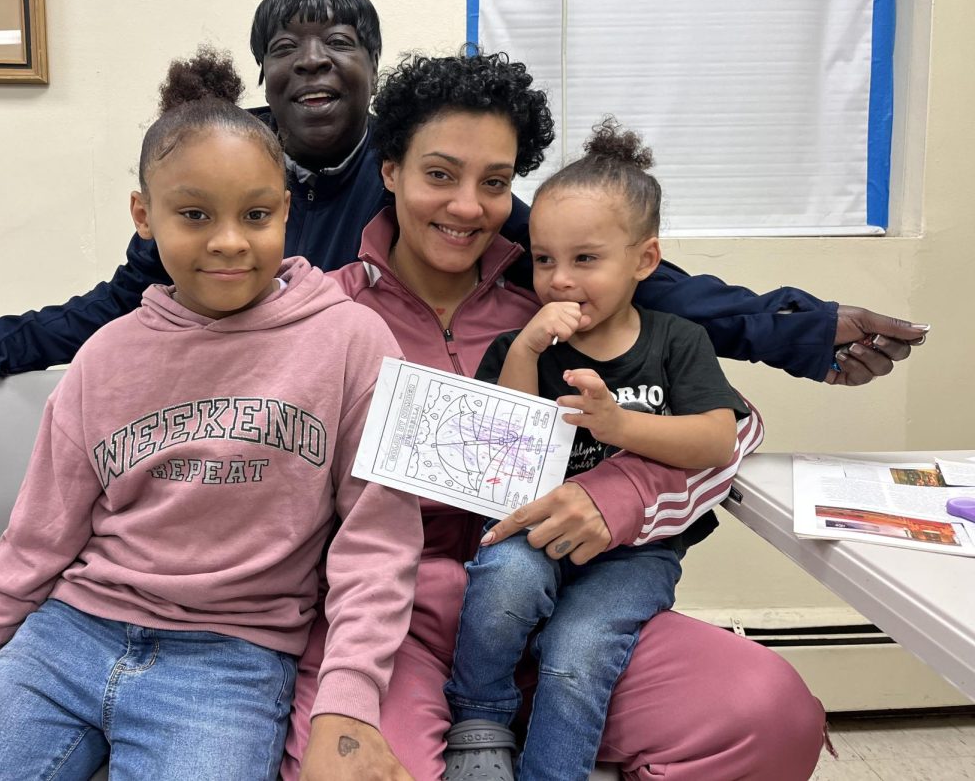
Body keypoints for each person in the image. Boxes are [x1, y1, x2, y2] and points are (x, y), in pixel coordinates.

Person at [0, 49, 423, 781]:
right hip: (66, 638)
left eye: (256, 214)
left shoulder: (352, 342)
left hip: (232, 663)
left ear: (286, 207)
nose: (229, 240)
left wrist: (348, 705)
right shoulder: (106, 358)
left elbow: (377, 542)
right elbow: (27, 554)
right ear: (144, 217)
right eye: (193, 214)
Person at [0, 0, 926, 395]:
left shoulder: (434, 187)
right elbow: (125, 301)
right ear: (263, 78)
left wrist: (801, 327)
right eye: (286, 47)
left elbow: (619, 279)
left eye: (339, 40)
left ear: (375, 82)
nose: (312, 60)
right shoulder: (217, 173)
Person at [279, 52, 825, 781]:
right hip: (391, 626)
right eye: (439, 174)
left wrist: (615, 494)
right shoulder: (324, 311)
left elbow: (734, 430)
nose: (468, 206)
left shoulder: (561, 296)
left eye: (496, 183)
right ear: (389, 172)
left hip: (560, 606)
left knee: (770, 713)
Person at [442, 120, 752, 781]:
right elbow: (500, 445)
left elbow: (716, 438)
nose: (560, 280)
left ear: (643, 260)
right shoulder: (521, 344)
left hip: (636, 556)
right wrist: (525, 348)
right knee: (501, 580)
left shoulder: (676, 341)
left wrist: (620, 426)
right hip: (536, 533)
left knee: (578, 649)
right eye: (545, 259)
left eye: (585, 259)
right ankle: (479, 720)